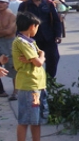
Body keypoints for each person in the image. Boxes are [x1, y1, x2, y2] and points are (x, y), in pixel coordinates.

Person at [12, 11, 49, 141]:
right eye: (37, 27)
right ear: (32, 26)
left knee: (36, 118)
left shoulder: (30, 42)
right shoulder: (22, 42)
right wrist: (42, 56)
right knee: (25, 119)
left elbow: (37, 55)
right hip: (29, 85)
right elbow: (39, 61)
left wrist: (38, 56)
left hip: (36, 85)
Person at [18, 0, 62, 78]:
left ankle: (50, 80)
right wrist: (20, 38)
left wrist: (58, 34)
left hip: (49, 37)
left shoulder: (49, 4)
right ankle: (37, 80)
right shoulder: (24, 6)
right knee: (33, 61)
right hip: (31, 39)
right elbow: (19, 22)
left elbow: (56, 20)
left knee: (53, 58)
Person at [0, 0, 18, 101]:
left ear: (7, 4)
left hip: (10, 42)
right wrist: (1, 32)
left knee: (13, 67)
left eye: (2, 2)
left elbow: (10, 32)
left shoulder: (12, 16)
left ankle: (15, 91)